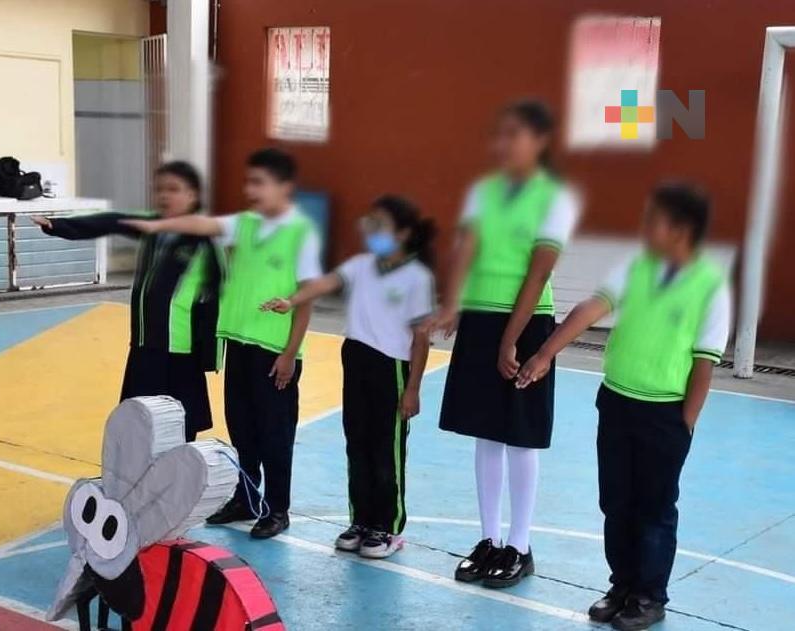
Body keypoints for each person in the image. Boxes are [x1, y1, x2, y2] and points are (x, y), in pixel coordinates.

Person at [516, 182, 730, 630]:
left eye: (654, 219)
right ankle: (623, 586)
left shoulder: (712, 286)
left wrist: (684, 425)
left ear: (681, 229)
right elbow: (588, 310)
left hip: (664, 416)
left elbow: (704, 365)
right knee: (615, 501)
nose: (644, 226)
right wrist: (544, 353)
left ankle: (650, 596)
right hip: (616, 403)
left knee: (654, 508)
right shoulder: (637, 267)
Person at [123, 148, 321, 539]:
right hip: (238, 345)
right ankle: (246, 498)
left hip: (273, 352)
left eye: (259, 182)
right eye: (249, 181)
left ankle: (277, 509)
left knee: (274, 434)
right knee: (243, 430)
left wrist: (288, 355)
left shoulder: (301, 233)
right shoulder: (244, 224)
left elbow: (308, 296)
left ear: (284, 187)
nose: (250, 189)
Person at [428, 100, 580, 588]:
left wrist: (510, 340)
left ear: (539, 141)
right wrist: (453, 304)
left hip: (526, 323)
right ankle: (489, 539)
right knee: (485, 434)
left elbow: (538, 275)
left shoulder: (554, 198)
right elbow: (466, 248)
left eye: (515, 134)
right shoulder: (484, 193)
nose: (504, 143)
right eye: (501, 134)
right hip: (480, 320)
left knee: (519, 436)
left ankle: (520, 544)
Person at [261, 195, 436, 559]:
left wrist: (413, 389)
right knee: (356, 442)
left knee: (385, 450)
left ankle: (387, 527)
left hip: (392, 368)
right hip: (355, 359)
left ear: (403, 233)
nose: (372, 232)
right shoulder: (360, 265)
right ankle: (361, 520)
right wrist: (292, 301)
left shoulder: (417, 277)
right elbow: (324, 283)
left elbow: (421, 338)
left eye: (381, 226)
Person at [32, 161, 221, 441]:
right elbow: (111, 221)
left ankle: (180, 480)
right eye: (160, 189)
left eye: (174, 189)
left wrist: (211, 353)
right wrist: (58, 225)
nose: (165, 196)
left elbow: (225, 290)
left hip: (180, 353)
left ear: (193, 195)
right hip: (144, 348)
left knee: (180, 428)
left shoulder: (204, 240)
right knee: (141, 426)